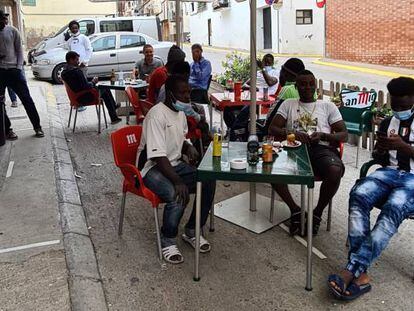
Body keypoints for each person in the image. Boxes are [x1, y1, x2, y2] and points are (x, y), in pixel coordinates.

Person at [328, 77, 414, 301]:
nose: (398, 110)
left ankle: (351, 270)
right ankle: (361, 274)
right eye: (394, 106)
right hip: (388, 173)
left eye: (403, 106)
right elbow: (379, 157)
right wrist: (380, 150)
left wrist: (404, 147)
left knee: (393, 209)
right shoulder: (388, 122)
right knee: (359, 194)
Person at [137, 75, 216, 264]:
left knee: (208, 180)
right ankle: (168, 239)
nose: (187, 96)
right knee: (176, 193)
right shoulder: (157, 115)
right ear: (170, 94)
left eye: (188, 92)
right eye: (183, 93)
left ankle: (192, 230)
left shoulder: (180, 113)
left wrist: (187, 147)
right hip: (152, 168)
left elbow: (179, 139)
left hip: (173, 164)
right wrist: (178, 181)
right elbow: (157, 155)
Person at [269, 70, 348, 236]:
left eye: (311, 84)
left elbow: (343, 134)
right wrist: (292, 133)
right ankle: (295, 210)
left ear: (315, 87)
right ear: (296, 87)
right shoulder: (288, 104)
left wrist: (324, 135)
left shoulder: (327, 106)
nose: (307, 87)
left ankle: (317, 213)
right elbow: (273, 128)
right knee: (272, 168)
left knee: (335, 170)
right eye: (303, 84)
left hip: (322, 149)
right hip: (293, 148)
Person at [0, 9, 44, 140]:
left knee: (27, 100)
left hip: (14, 70)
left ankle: (37, 127)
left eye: (5, 19)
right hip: (0, 72)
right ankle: (8, 130)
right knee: (0, 103)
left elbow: (20, 51)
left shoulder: (12, 31)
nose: (4, 22)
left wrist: (18, 68)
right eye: (1, 20)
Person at [61, 51, 121, 124]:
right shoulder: (77, 71)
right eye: (76, 60)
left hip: (75, 97)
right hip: (84, 97)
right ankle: (114, 116)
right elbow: (86, 86)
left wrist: (79, 68)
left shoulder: (64, 72)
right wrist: (93, 82)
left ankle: (114, 109)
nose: (78, 62)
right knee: (105, 89)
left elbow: (78, 81)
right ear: (71, 60)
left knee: (103, 88)